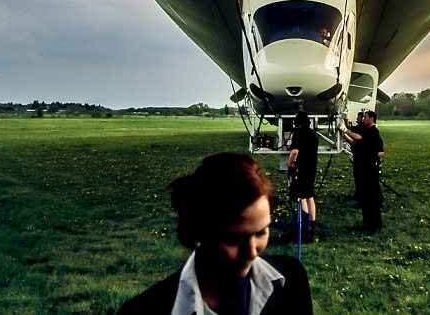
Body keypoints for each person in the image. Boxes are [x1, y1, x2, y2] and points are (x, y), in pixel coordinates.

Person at [117, 152, 313, 314]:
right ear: (199, 229)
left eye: (261, 232)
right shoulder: (143, 310)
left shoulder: (292, 279)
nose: (252, 252)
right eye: (234, 239)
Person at [341, 110, 384, 233]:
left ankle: (375, 225)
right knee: (365, 198)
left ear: (371, 119)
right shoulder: (364, 130)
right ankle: (367, 223)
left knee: (372, 198)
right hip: (362, 168)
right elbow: (355, 142)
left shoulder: (373, 132)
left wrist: (345, 130)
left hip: (370, 169)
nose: (363, 119)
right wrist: (345, 137)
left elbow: (358, 137)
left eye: (365, 117)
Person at [288, 111, 319, 241]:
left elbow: (295, 152)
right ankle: (313, 224)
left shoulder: (299, 133)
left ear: (298, 122)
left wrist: (290, 165)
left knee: (302, 197)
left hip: (302, 168)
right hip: (312, 167)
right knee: (310, 196)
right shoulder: (314, 134)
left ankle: (305, 229)